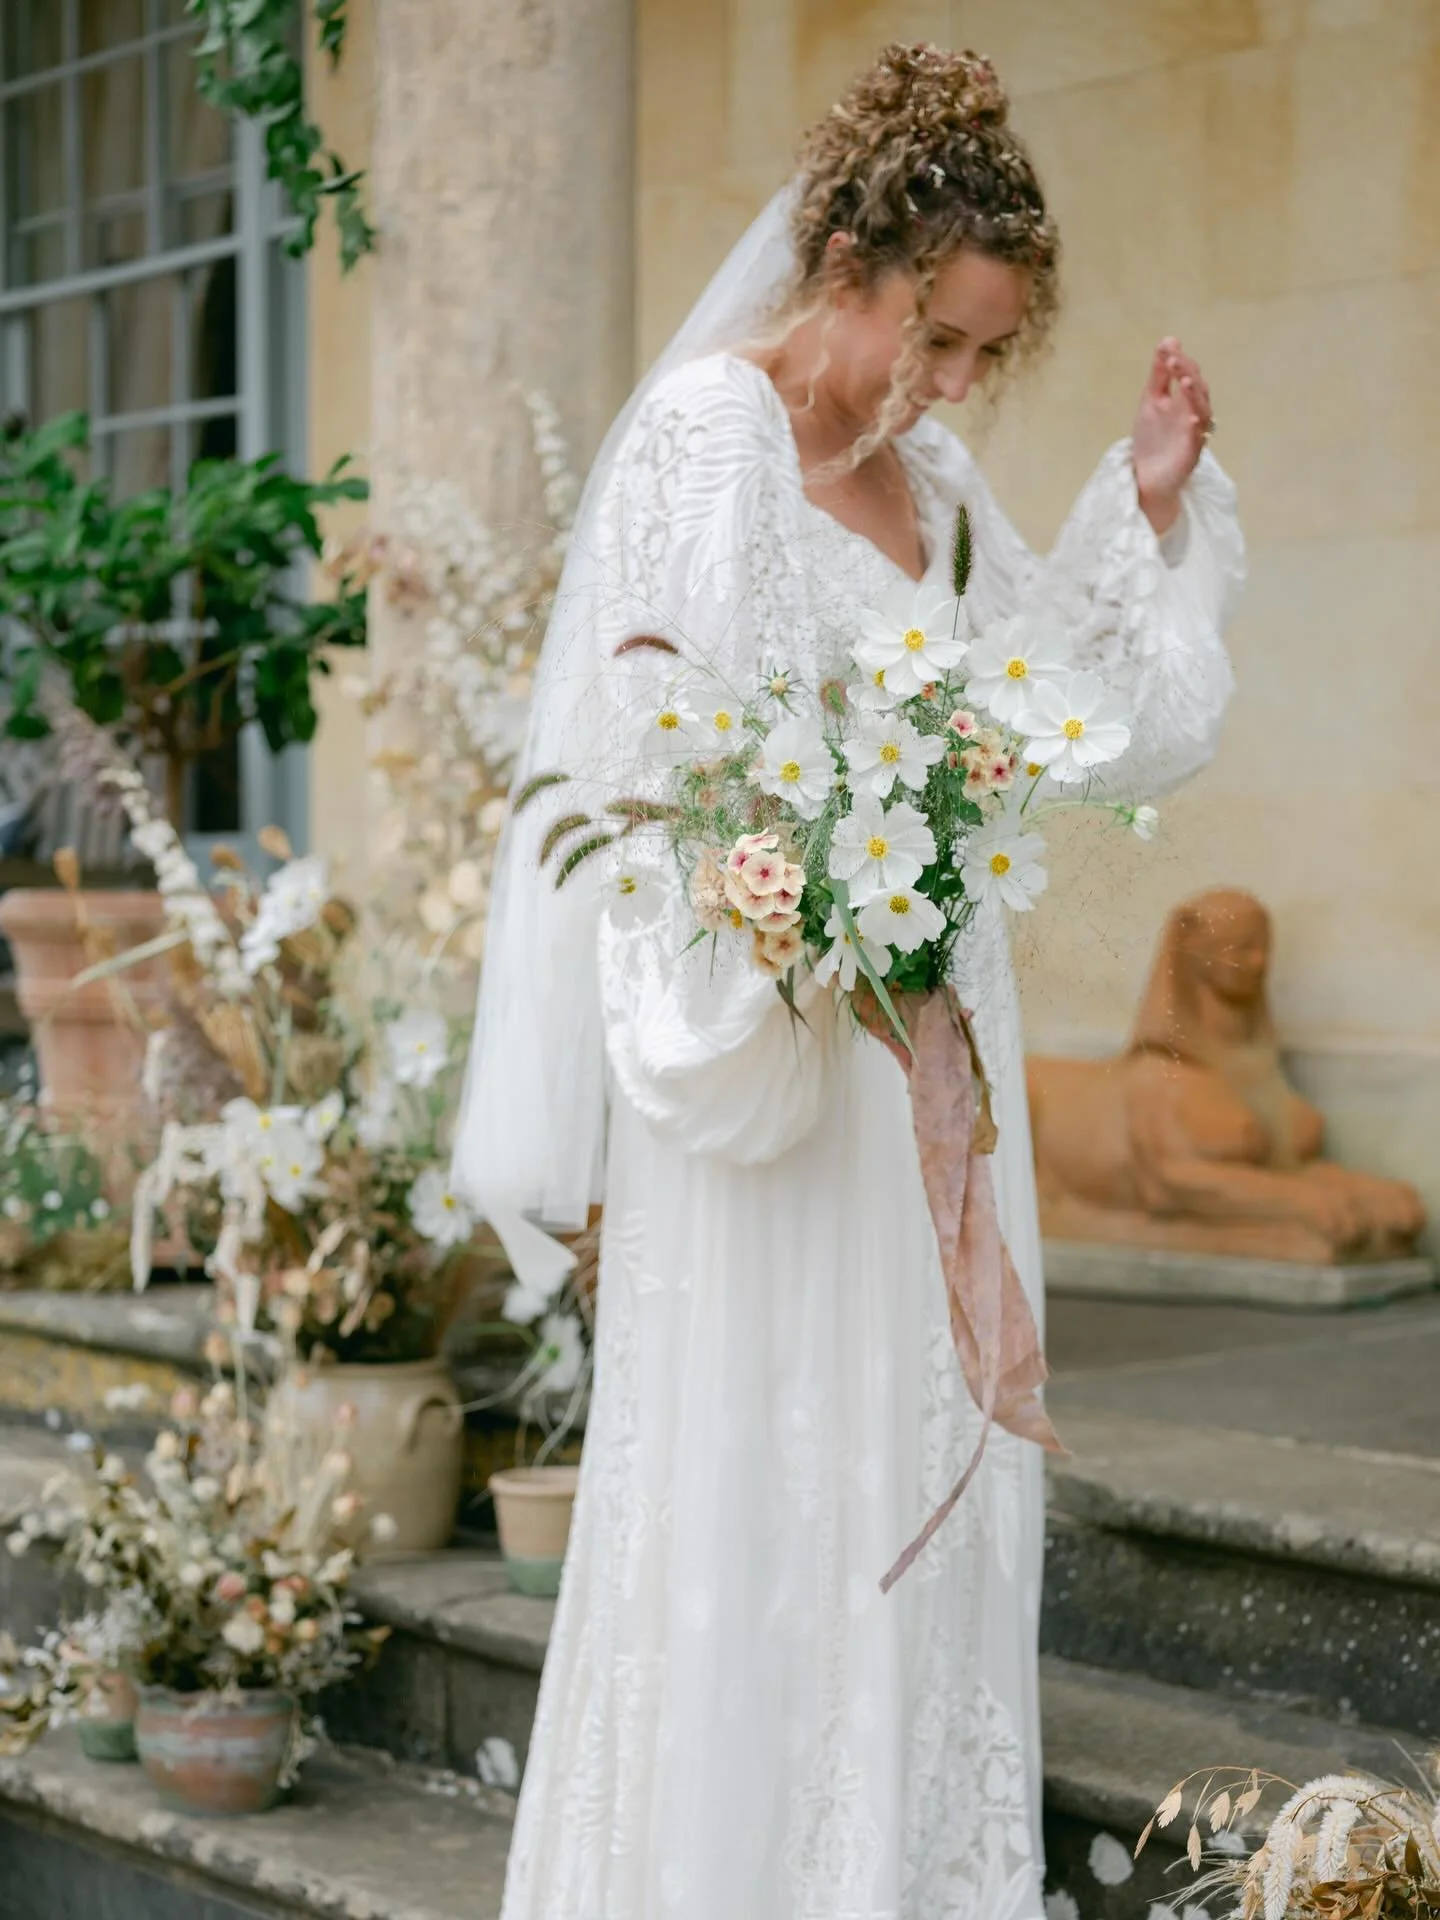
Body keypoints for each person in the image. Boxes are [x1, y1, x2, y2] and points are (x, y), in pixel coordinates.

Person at [453, 42, 1245, 1920]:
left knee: (910, 1470)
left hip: (933, 1058)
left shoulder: (940, 471)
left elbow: (1047, 707)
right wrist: (800, 920)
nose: (961, 385)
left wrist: (1135, 509)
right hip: (775, 1089)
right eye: (944, 340)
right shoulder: (706, 439)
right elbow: (653, 780)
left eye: (986, 356)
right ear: (855, 272)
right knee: (761, 1499)